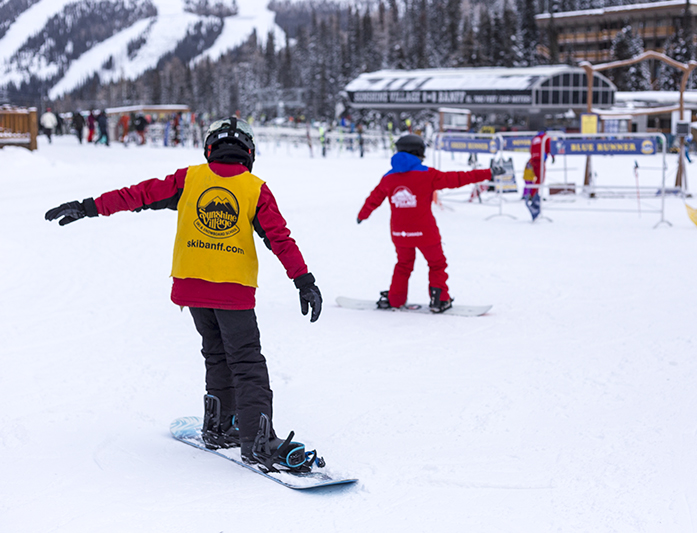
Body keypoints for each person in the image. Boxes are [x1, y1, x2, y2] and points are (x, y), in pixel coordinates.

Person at [44, 117, 323, 473]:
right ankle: (258, 441)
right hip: (233, 290)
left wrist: (87, 206)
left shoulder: (188, 179)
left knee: (217, 354)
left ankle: (221, 426)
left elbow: (138, 194)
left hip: (192, 287)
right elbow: (279, 238)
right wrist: (304, 280)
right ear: (249, 153)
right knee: (247, 363)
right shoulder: (255, 189)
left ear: (210, 150)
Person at [357, 133, 502, 312]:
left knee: (403, 264)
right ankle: (439, 299)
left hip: (400, 233)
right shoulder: (428, 175)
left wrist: (363, 215)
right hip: (425, 232)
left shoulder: (388, 178)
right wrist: (488, 172)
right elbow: (458, 178)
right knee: (437, 264)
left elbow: (374, 198)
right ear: (420, 153)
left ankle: (395, 299)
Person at [522, 130, 555, 221]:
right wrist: (552, 156)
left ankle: (532, 193)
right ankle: (534, 195)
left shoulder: (535, 138)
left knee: (535, 178)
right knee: (540, 179)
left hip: (533, 159)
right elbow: (549, 147)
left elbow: (531, 148)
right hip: (540, 159)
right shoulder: (545, 138)